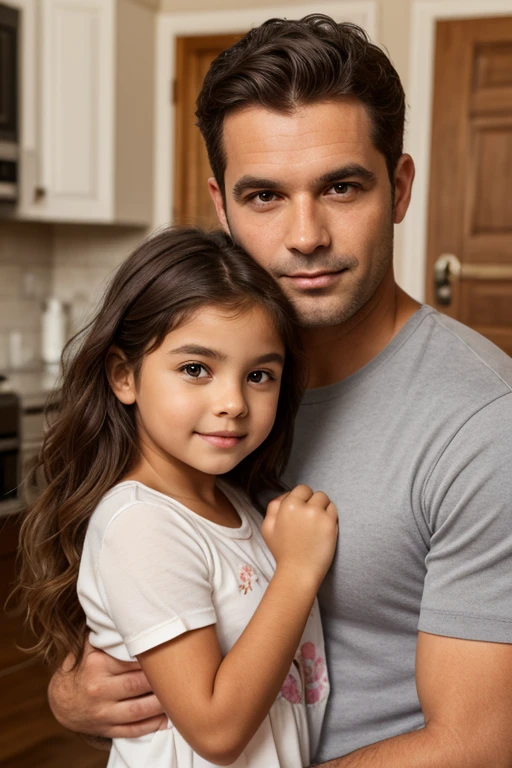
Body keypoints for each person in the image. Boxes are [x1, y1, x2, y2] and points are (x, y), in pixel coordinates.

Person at [45, 14, 512, 767]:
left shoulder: (484, 424)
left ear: (398, 189)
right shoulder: (197, 401)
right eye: (264, 196)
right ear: (221, 205)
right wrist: (75, 690)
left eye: (341, 187)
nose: (305, 235)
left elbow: (479, 744)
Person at [15, 227, 339, 767]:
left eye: (259, 374)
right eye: (196, 369)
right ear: (125, 376)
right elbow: (216, 731)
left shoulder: (234, 507)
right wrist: (299, 570)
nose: (232, 402)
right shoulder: (140, 525)